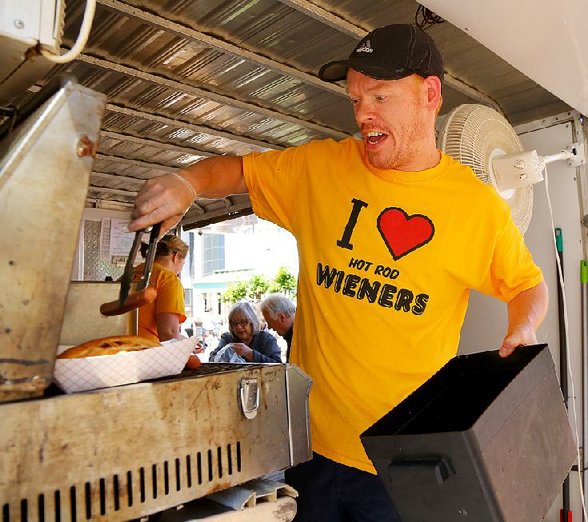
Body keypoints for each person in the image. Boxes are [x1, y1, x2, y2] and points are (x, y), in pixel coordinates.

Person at [128, 22, 548, 522]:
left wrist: (522, 327)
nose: (363, 113)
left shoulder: (476, 207)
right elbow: (239, 170)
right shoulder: (319, 168)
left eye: (379, 96)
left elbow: (526, 284)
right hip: (311, 449)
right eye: (354, 99)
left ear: (429, 95)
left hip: (406, 456)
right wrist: (187, 181)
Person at [135, 234, 189, 343]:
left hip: (116, 349)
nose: (180, 269)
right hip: (144, 352)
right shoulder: (168, 279)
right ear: (176, 256)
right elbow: (168, 333)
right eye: (183, 264)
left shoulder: (131, 273)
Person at [209, 302, 282, 363]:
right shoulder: (228, 338)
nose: (239, 327)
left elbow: (277, 364)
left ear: (252, 322)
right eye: (235, 323)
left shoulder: (266, 339)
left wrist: (250, 354)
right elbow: (213, 359)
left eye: (243, 322)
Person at [260, 293, 296, 360]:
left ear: (282, 317)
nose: (269, 327)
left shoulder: (300, 336)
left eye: (270, 322)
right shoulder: (293, 334)